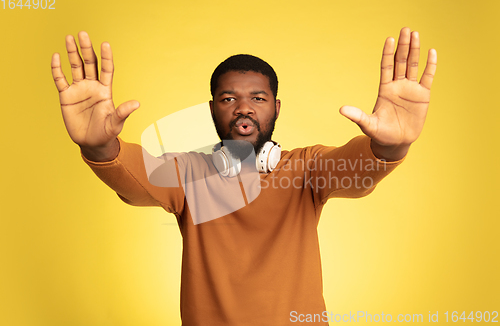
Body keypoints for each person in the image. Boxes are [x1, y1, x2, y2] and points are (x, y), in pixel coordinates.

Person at [51, 28, 437, 325]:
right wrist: (99, 146)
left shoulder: (306, 169)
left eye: (258, 98)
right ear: (212, 109)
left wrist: (390, 147)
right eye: (228, 98)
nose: (243, 109)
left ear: (276, 107)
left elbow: (356, 169)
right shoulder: (190, 174)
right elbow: (134, 175)